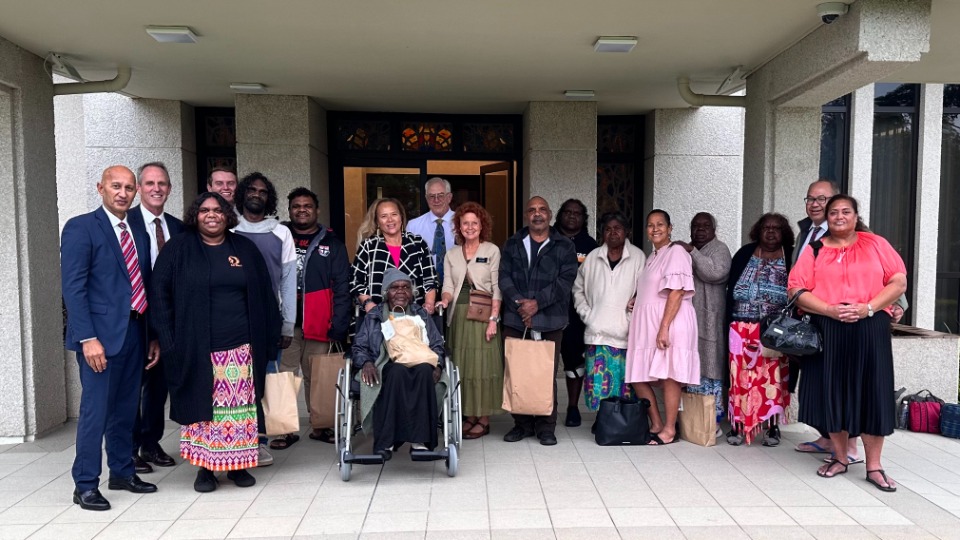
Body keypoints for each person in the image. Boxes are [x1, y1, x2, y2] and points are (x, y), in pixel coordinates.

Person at [150, 192, 281, 493]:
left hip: (242, 348)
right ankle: (205, 470)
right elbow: (159, 294)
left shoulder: (244, 249)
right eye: (205, 210)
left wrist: (271, 338)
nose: (212, 215)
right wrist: (168, 340)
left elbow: (265, 295)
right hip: (196, 347)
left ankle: (238, 466)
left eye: (218, 210)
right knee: (205, 411)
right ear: (195, 215)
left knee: (239, 412)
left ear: (227, 215)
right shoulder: (179, 249)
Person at [788, 195, 907, 491]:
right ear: (826, 218)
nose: (839, 216)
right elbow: (796, 288)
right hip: (828, 327)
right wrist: (828, 309)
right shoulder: (814, 250)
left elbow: (898, 282)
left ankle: (875, 466)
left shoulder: (876, 243)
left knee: (872, 393)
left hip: (870, 326)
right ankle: (839, 457)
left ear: (855, 215)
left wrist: (868, 307)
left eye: (846, 211)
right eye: (834, 212)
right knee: (833, 392)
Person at [61, 165, 159, 511]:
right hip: (99, 338)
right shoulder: (82, 227)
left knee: (125, 409)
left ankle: (122, 471)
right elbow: (73, 288)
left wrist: (151, 335)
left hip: (135, 331)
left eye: (129, 188)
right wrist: (87, 337)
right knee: (95, 411)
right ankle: (85, 483)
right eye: (115, 186)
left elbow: (142, 282)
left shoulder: (137, 230)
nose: (123, 192)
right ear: (100, 188)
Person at [499, 196, 579, 446]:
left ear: (550, 214)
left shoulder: (564, 245)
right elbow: (504, 277)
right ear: (526, 215)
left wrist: (536, 304)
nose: (537, 214)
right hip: (515, 317)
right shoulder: (513, 242)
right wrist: (520, 304)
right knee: (517, 372)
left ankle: (546, 427)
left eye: (542, 209)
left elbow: (566, 281)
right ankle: (521, 424)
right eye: (532, 210)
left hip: (550, 318)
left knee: (545, 374)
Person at [792, 179, 862, 462]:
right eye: (810, 199)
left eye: (822, 199)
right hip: (815, 317)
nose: (815, 204)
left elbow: (882, 269)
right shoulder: (806, 232)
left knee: (843, 381)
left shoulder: (854, 232)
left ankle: (851, 446)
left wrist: (896, 304)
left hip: (845, 319)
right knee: (818, 380)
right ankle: (826, 437)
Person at [275, 187, 352, 446]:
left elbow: (343, 287)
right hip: (285, 322)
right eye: (296, 206)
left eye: (307, 205)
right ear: (290, 210)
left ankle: (322, 426)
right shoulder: (279, 237)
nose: (302, 210)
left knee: (318, 376)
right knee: (284, 374)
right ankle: (283, 430)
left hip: (319, 322)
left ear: (316, 210)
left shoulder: (332, 243)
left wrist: (340, 324)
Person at [232, 172, 297, 465]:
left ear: (268, 198)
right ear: (242, 194)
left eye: (262, 191)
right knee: (234, 382)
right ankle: (233, 440)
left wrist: (288, 323)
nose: (256, 194)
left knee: (264, 382)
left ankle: (258, 442)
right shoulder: (229, 228)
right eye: (251, 190)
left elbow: (288, 280)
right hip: (232, 317)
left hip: (269, 318)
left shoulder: (281, 232)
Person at [625, 209, 700, 446]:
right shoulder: (653, 256)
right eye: (650, 225)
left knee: (669, 376)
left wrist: (664, 327)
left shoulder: (676, 252)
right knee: (638, 375)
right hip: (649, 323)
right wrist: (638, 299)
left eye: (660, 224)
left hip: (671, 321)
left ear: (670, 228)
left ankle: (669, 429)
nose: (655, 229)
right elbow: (655, 287)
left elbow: (677, 291)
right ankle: (656, 424)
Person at [353, 269, 446, 459]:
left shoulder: (421, 314)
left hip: (420, 361)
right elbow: (359, 346)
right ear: (386, 293)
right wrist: (367, 363)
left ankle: (420, 442)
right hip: (385, 363)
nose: (401, 291)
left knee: (422, 372)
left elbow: (437, 344)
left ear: (412, 293)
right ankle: (386, 442)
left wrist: (439, 365)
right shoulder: (375, 316)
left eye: (405, 287)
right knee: (396, 373)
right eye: (395, 288)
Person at [129, 162, 184, 474]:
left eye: (162, 183)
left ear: (169, 188)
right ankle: (130, 447)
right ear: (140, 188)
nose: (156, 188)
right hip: (134, 321)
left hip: (166, 321)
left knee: (158, 386)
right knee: (131, 386)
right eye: (149, 183)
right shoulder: (127, 223)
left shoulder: (177, 228)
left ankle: (151, 443)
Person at [724, 213, 794, 446]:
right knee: (739, 378)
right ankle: (737, 426)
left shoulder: (791, 257)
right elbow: (729, 287)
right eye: (766, 227)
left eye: (776, 228)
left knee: (772, 379)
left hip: (774, 331)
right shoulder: (744, 254)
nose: (771, 232)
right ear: (758, 230)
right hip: (740, 327)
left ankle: (771, 427)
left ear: (783, 233)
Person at [436, 202, 504, 439]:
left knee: (483, 368)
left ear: (482, 225)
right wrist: (444, 301)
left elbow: (497, 289)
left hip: (484, 315)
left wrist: (494, 320)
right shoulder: (451, 254)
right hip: (459, 317)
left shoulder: (492, 251)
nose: (470, 227)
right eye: (465, 223)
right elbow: (447, 285)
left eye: (475, 222)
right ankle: (469, 415)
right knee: (463, 368)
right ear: (459, 226)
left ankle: (483, 419)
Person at [572, 211, 645, 413]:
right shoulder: (593, 257)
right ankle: (601, 420)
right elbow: (578, 289)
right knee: (597, 385)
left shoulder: (638, 257)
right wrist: (588, 314)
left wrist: (630, 318)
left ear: (627, 232)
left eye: (618, 228)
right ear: (602, 233)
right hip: (596, 334)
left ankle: (620, 421)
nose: (613, 233)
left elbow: (645, 292)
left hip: (625, 335)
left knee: (623, 385)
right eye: (608, 229)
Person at [675, 212, 731, 428]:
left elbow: (714, 273)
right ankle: (691, 421)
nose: (699, 230)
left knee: (710, 368)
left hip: (710, 319)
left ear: (713, 229)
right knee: (689, 368)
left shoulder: (720, 249)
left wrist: (692, 253)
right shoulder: (686, 250)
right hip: (687, 319)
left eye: (705, 226)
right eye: (695, 226)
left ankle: (710, 423)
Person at [554, 199, 599, 427]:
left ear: (584, 218)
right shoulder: (548, 238)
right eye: (567, 212)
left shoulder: (591, 246)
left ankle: (573, 407)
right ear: (560, 215)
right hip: (548, 311)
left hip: (577, 315)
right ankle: (544, 409)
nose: (572, 216)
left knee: (574, 363)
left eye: (577, 213)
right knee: (543, 363)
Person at [352, 198, 438, 314]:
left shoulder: (418, 244)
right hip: (377, 316)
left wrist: (429, 304)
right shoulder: (369, 246)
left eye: (394, 214)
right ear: (377, 221)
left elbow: (430, 279)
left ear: (401, 217)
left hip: (414, 316)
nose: (390, 220)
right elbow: (356, 282)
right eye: (384, 216)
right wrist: (368, 303)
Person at [406, 177, 455, 286]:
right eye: (431, 196)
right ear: (426, 199)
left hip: (457, 288)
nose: (436, 200)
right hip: (424, 288)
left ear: (449, 197)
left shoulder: (463, 223)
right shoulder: (413, 226)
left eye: (440, 195)